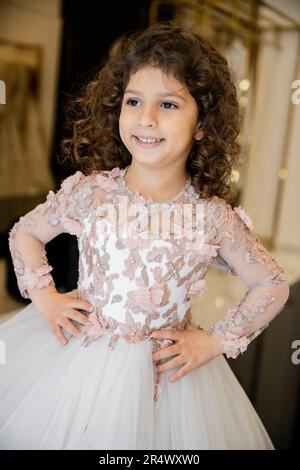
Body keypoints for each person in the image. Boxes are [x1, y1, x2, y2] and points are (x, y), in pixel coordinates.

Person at [0, 22, 289, 450]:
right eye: (134, 101)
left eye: (169, 105)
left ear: (203, 124)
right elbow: (25, 232)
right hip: (79, 362)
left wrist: (213, 340)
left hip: (167, 376)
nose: (146, 118)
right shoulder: (93, 192)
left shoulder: (210, 216)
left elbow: (272, 284)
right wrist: (45, 296)